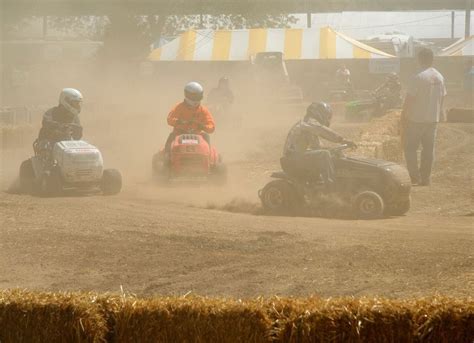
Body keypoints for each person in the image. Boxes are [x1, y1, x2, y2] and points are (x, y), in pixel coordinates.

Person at [282, 102, 355, 189]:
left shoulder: (308, 126)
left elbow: (317, 147)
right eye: (327, 116)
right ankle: (331, 187)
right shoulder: (309, 122)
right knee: (324, 154)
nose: (328, 119)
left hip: (296, 156)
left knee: (327, 152)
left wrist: (334, 150)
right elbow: (323, 131)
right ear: (319, 113)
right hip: (293, 158)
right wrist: (342, 140)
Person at [401, 48, 446, 186]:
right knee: (428, 150)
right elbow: (443, 97)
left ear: (420, 59)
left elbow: (409, 99)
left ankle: (414, 177)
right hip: (433, 119)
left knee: (410, 148)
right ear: (432, 59)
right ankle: (426, 178)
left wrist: (403, 115)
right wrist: (440, 113)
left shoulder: (418, 77)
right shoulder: (439, 76)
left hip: (416, 119)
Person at [165, 82, 215, 154]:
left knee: (206, 136)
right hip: (179, 133)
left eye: (198, 97)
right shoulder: (179, 107)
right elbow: (169, 119)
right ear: (187, 95)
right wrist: (179, 122)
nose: (196, 100)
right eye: (194, 97)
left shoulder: (203, 110)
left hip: (198, 134)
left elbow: (211, 126)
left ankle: (209, 158)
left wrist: (203, 126)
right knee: (171, 136)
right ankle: (166, 157)